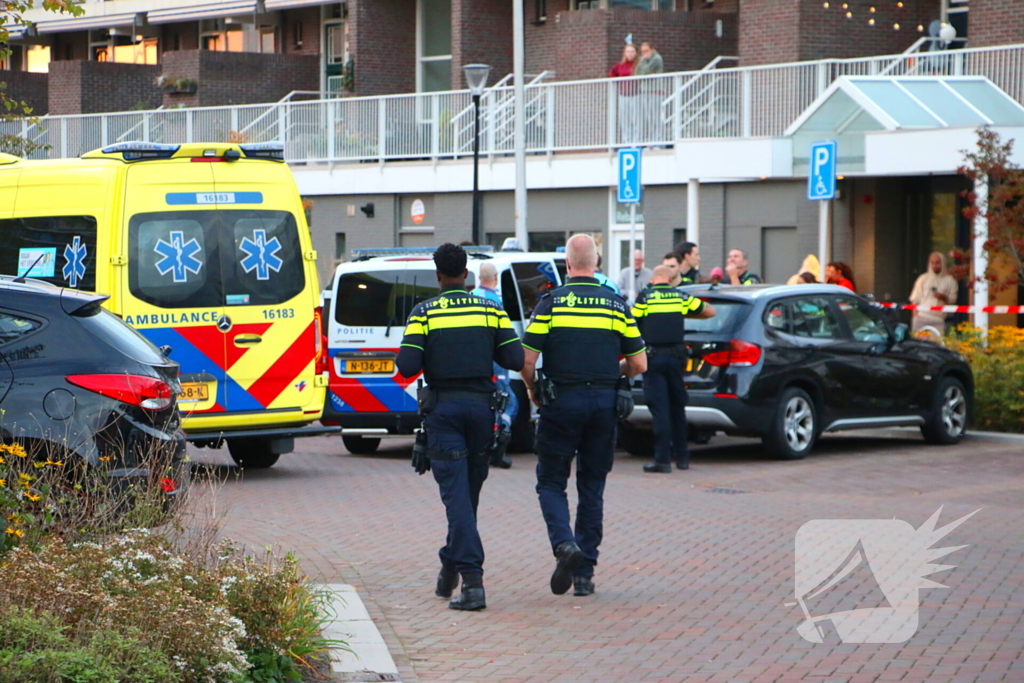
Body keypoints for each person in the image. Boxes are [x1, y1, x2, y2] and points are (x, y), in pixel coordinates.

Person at [396, 243, 525, 611]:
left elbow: (406, 366)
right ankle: (449, 567)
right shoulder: (490, 309)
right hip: (483, 412)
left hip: (444, 413)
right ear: (466, 274)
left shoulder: (424, 312)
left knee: (457, 500)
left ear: (438, 276)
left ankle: (472, 583)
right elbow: (514, 358)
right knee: (467, 498)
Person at [521, 234, 647, 598]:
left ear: (566, 264)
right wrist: (613, 374)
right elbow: (639, 363)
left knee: (550, 482)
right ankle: (585, 574)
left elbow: (526, 361)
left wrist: (533, 388)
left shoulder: (550, 303)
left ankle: (565, 545)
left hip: (560, 403)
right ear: (597, 263)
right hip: (603, 404)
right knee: (592, 487)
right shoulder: (616, 304)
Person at [632, 265, 716, 473]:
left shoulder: (645, 298)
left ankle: (662, 460)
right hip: (677, 357)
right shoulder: (680, 297)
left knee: (660, 409)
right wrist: (684, 315)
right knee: (678, 407)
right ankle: (682, 458)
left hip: (654, 357)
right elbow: (710, 311)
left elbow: (632, 320)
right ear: (670, 278)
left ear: (654, 279)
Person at [471, 261, 517, 469]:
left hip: (474, 360)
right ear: (496, 278)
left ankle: (481, 446)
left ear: (479, 279)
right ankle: (499, 445)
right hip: (494, 360)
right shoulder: (495, 302)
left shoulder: (469, 298)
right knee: (507, 402)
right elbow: (503, 335)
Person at [909, 251, 958, 334]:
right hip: (921, 318)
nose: (935, 266)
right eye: (932, 263)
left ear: (943, 263)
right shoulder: (922, 279)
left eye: (937, 263)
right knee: (918, 345)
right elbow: (915, 299)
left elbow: (953, 300)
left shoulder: (950, 280)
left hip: (938, 319)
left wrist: (943, 297)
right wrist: (915, 317)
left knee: (937, 345)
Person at [609, 43, 639, 143]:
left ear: (636, 53)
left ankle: (636, 141)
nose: (630, 54)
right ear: (625, 53)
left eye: (632, 51)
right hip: (623, 94)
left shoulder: (638, 64)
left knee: (636, 119)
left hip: (636, 94)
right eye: (628, 52)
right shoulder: (620, 65)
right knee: (625, 119)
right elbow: (612, 74)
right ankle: (627, 141)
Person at [635, 42, 664, 142]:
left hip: (655, 90)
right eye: (642, 52)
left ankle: (658, 140)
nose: (644, 54)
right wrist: (645, 73)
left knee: (656, 117)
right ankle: (651, 140)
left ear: (652, 49)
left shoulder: (657, 58)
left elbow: (646, 70)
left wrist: (645, 72)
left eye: (646, 51)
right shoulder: (643, 59)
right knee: (649, 118)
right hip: (645, 90)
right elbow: (637, 73)